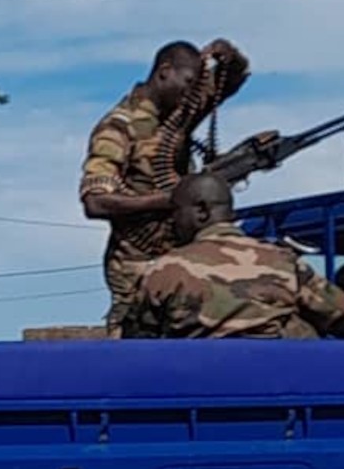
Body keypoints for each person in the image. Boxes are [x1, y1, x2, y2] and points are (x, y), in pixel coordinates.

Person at [123, 173, 344, 364]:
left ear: (200, 212)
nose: (171, 223)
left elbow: (136, 352)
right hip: (280, 396)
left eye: (175, 213)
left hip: (192, 400)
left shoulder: (162, 272)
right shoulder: (282, 262)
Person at [80, 39, 250, 335]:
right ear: (164, 72)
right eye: (187, 82)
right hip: (138, 263)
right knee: (135, 346)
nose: (192, 92)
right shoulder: (119, 127)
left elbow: (231, 81)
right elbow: (95, 202)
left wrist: (229, 57)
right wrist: (170, 199)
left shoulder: (179, 113)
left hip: (185, 257)